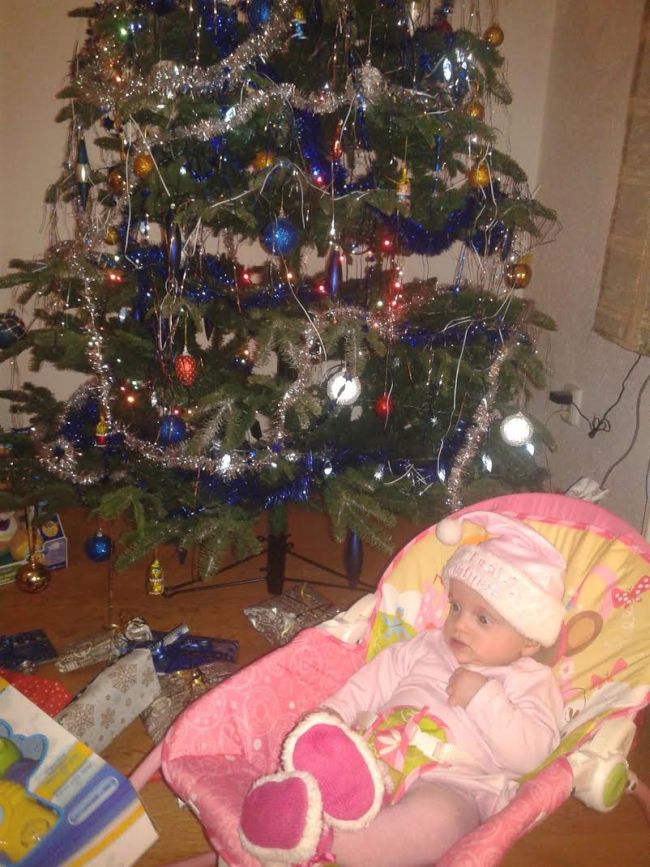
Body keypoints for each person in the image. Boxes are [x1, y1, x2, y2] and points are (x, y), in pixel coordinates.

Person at [238, 511, 567, 867]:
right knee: (325, 760)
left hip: (452, 782)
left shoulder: (530, 679)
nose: (460, 625)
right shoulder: (426, 646)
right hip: (368, 758)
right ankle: (291, 812)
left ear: (529, 640)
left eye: (483, 618)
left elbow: (531, 756)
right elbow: (371, 683)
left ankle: (324, 841)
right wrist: (334, 714)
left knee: (442, 823)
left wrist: (484, 697)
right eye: (456, 607)